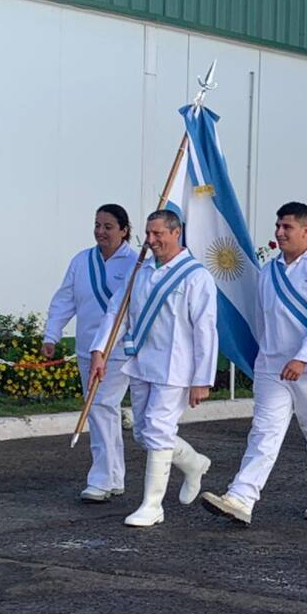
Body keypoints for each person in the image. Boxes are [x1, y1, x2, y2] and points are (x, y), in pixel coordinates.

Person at [201, 202, 307, 524]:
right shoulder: (270, 270)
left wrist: (301, 359)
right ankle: (241, 497)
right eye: (278, 226)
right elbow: (262, 318)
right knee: (263, 433)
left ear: (305, 231)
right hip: (272, 366)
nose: (279, 233)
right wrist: (264, 356)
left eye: (287, 227)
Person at [90, 209, 217, 528]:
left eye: (158, 234)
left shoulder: (195, 276)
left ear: (176, 233)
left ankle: (152, 505)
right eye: (147, 234)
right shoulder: (141, 271)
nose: (151, 240)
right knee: (144, 434)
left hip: (176, 368)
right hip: (142, 362)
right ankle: (194, 464)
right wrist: (100, 350)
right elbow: (116, 313)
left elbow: (206, 329)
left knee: (159, 431)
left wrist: (203, 379)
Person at [43, 204, 139, 503]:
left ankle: (100, 480)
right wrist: (51, 334)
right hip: (87, 349)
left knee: (99, 407)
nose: (101, 231)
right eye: (97, 225)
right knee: (103, 411)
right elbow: (65, 299)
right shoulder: (81, 260)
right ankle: (114, 476)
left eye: (108, 226)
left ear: (124, 230)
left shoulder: (136, 263)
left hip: (120, 351)